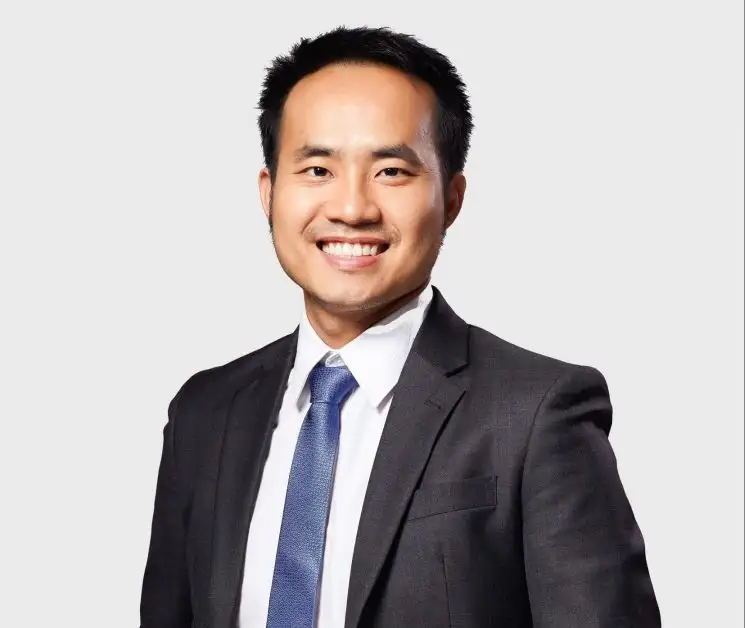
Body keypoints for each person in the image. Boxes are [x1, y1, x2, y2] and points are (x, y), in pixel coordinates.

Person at [140, 25, 661, 628]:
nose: (352, 209)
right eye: (317, 169)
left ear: (452, 199)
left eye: (391, 171)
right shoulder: (205, 414)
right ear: (269, 192)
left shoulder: (538, 413)